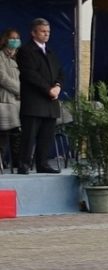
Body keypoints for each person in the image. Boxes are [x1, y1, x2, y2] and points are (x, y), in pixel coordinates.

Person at [15, 19, 62, 173]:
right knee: (29, 134)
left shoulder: (50, 51)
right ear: (33, 33)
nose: (46, 34)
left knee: (46, 135)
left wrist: (57, 86)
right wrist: (48, 89)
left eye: (48, 32)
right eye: (43, 31)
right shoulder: (26, 51)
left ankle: (43, 164)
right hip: (34, 100)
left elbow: (60, 72)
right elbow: (30, 74)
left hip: (50, 101)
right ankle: (24, 164)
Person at [0, 28, 21, 171]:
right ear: (5, 40)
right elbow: (3, 78)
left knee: (17, 134)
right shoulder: (0, 56)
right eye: (12, 38)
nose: (15, 41)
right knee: (2, 135)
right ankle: (1, 162)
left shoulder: (17, 57)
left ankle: (17, 162)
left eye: (17, 38)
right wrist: (20, 90)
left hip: (17, 102)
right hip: (4, 100)